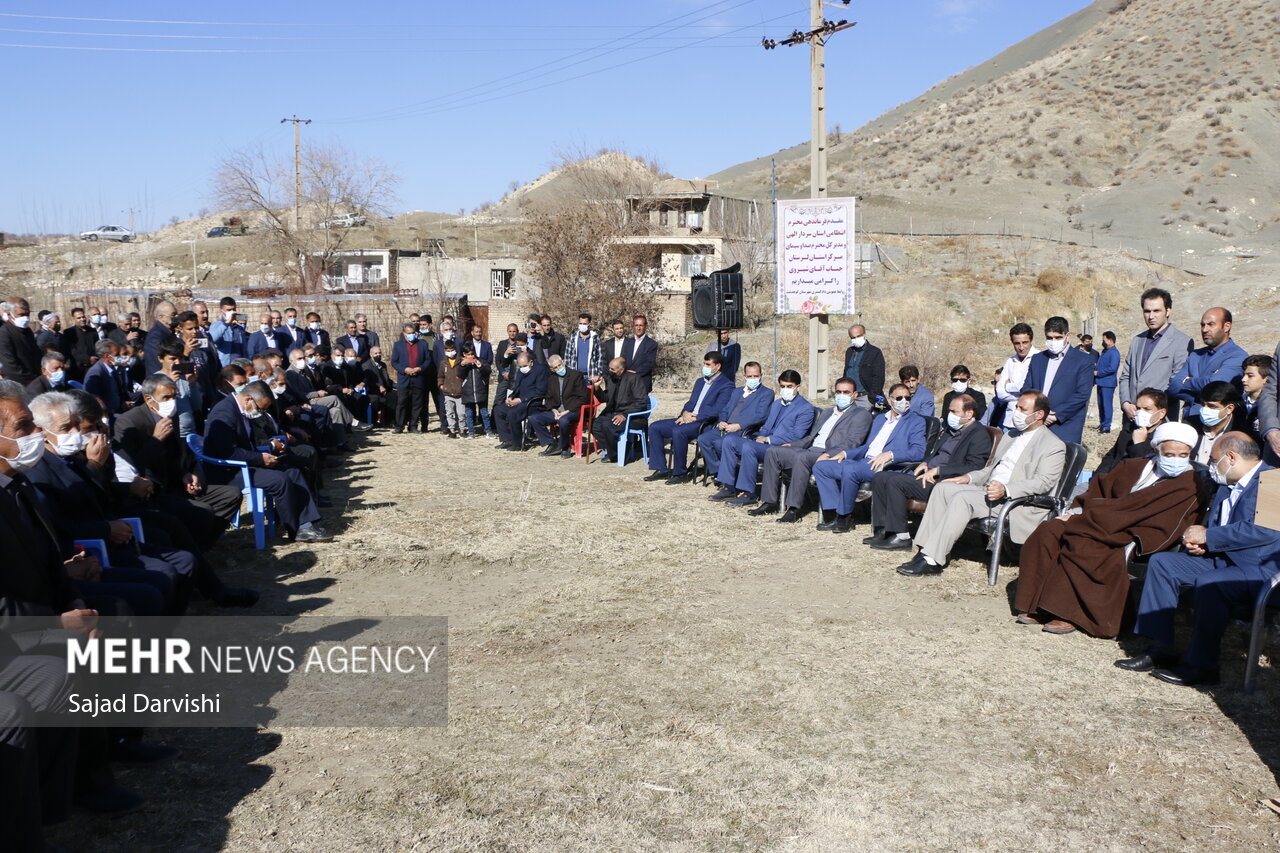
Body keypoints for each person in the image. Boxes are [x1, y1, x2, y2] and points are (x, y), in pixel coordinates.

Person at [1117, 433, 1280, 686]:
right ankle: (1161, 647)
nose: (1211, 465)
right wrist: (1204, 545)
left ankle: (1203, 665)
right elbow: (1219, 526)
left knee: (1211, 583)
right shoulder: (1227, 483)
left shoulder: (1274, 480)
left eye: (1214, 460)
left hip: (1259, 569)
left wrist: (1209, 537)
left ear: (1231, 457)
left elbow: (1266, 530)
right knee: (1164, 564)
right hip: (1222, 560)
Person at [1013, 422, 1203, 636]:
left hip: (1134, 531)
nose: (1176, 460)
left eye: (1183, 454)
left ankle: (1067, 611)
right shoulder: (1133, 466)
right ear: (1156, 450)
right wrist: (1078, 513)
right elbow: (1099, 490)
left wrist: (1097, 516)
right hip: (1101, 519)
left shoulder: (1190, 483)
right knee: (1050, 530)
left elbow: (1165, 519)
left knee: (1083, 541)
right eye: (1169, 454)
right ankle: (1036, 603)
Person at [897, 391, 1066, 576]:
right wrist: (968, 478)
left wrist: (1006, 489)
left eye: (1022, 409)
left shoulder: (1053, 445)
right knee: (943, 488)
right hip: (989, 490)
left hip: (1017, 502)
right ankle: (926, 549)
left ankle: (933, 560)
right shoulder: (1011, 435)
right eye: (1016, 407)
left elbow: (1044, 482)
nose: (1016, 412)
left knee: (963, 498)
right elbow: (990, 469)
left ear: (1039, 414)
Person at [203, 381, 334, 542]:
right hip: (228, 471)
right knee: (280, 480)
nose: (261, 413)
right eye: (261, 408)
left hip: (244, 462)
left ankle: (305, 525)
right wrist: (260, 458)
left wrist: (267, 451)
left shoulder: (240, 408)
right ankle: (293, 528)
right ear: (248, 399)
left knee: (293, 471)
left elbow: (245, 446)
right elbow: (226, 452)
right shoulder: (224, 412)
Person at [864, 393, 994, 550]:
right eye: (949, 411)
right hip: (928, 475)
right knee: (881, 477)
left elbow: (974, 467)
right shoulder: (950, 430)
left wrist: (939, 470)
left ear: (969, 413)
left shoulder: (978, 435)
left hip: (944, 482)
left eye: (954, 412)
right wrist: (925, 463)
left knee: (895, 482)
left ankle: (900, 536)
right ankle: (882, 530)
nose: (949, 415)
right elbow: (935, 453)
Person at [751, 378, 873, 522]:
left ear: (855, 395)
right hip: (809, 449)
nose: (841, 395)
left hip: (827, 454)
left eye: (846, 392)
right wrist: (793, 445)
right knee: (773, 452)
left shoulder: (860, 414)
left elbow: (853, 442)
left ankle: (794, 508)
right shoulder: (827, 413)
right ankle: (770, 502)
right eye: (838, 391)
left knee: (801, 458)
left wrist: (829, 454)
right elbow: (811, 437)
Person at [811, 382, 927, 533]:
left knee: (851, 469)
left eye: (907, 398)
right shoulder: (879, 419)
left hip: (887, 465)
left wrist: (892, 454)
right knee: (821, 466)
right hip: (864, 461)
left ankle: (845, 517)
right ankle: (833, 513)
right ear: (890, 400)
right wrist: (845, 453)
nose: (904, 401)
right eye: (899, 398)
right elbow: (867, 447)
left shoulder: (916, 421)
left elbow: (918, 451)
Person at [710, 370, 815, 508]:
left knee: (748, 447)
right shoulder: (777, 404)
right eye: (782, 386)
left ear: (798, 387)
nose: (785, 389)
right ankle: (728, 486)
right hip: (763, 442)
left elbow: (796, 435)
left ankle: (748, 493)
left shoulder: (805, 408)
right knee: (729, 441)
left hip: (780, 447)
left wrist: (768, 439)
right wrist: (760, 436)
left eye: (789, 386)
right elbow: (766, 426)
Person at [644, 352, 733, 483]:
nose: (705, 367)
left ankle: (680, 473)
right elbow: (691, 402)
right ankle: (661, 468)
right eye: (704, 363)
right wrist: (684, 414)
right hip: (688, 418)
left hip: (705, 423)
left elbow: (718, 409)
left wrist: (696, 418)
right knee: (655, 427)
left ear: (718, 366)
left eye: (708, 364)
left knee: (679, 432)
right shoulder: (699, 382)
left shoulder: (726, 385)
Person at [1118, 287, 1193, 426]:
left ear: (1168, 310)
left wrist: (1151, 408)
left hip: (1160, 418)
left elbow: (1176, 381)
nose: (1151, 316)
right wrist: (1126, 403)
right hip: (1131, 416)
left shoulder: (1181, 341)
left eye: (1156, 311)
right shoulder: (1137, 340)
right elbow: (1126, 376)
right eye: (1147, 311)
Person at [1020, 316, 1094, 443]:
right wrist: (1038, 413)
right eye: (1049, 337)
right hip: (1035, 423)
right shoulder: (1038, 359)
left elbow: (1082, 394)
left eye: (1058, 337)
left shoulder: (1083, 360)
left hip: (1064, 427)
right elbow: (1027, 389)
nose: (1053, 341)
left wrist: (1055, 415)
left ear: (1067, 336)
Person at [697, 361, 774, 478]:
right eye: (749, 376)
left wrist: (740, 425)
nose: (752, 379)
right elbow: (726, 409)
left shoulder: (766, 393)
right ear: (744, 376)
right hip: (726, 427)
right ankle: (718, 470)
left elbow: (761, 415)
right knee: (703, 439)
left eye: (756, 376)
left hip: (743, 430)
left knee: (719, 444)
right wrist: (721, 421)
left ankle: (727, 475)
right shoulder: (737, 391)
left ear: (761, 375)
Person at [1169, 307, 1246, 422]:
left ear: (1226, 326)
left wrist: (1187, 381)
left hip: (1219, 423)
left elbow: (1215, 386)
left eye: (1211, 324)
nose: (1205, 329)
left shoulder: (1237, 356)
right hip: (1190, 420)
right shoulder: (1195, 355)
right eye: (1202, 325)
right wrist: (1198, 398)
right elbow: (1174, 387)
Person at [1095, 387, 1169, 476]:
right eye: (1138, 408)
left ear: (1161, 413)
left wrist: (1139, 444)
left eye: (1147, 409)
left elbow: (1146, 469)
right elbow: (1112, 457)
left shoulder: (1166, 438)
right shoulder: (1129, 428)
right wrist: (1098, 479)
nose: (1141, 413)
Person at [591, 357, 649, 463]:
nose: (609, 371)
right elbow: (605, 398)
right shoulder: (612, 380)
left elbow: (641, 402)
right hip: (614, 413)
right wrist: (597, 388)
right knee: (595, 425)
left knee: (607, 425)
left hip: (633, 416)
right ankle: (616, 451)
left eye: (612, 369)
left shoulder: (634, 378)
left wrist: (625, 415)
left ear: (621, 370)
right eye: (609, 368)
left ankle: (617, 455)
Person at [530, 354, 589, 457]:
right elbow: (548, 398)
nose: (558, 368)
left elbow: (582, 398)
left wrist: (566, 412)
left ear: (563, 362)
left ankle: (565, 447)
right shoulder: (552, 379)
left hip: (573, 410)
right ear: (552, 369)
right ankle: (552, 444)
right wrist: (554, 410)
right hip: (557, 410)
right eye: (555, 367)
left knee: (563, 420)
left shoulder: (576, 375)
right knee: (534, 418)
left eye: (559, 365)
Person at [494, 350, 548, 450]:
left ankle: (517, 443)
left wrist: (520, 400)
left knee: (512, 413)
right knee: (498, 410)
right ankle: (507, 439)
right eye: (520, 366)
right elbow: (517, 387)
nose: (522, 368)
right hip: (519, 400)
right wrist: (511, 397)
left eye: (524, 365)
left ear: (531, 362)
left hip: (533, 402)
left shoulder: (541, 370)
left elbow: (540, 391)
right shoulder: (521, 370)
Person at [991, 323, 1038, 429]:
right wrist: (1021, 396)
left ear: (1031, 341)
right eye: (1017, 343)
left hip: (1030, 420)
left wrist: (1009, 387)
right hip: (1010, 421)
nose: (1021, 347)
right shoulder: (1010, 361)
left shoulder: (1039, 359)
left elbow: (1031, 387)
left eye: (1025, 342)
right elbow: (1000, 393)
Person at [1191, 380, 1244, 466]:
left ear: (1229, 408)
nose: (1205, 410)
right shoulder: (1190, 426)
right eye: (1203, 405)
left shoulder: (1240, 435)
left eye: (1211, 406)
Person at [391, 324, 431, 434]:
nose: (411, 335)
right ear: (404, 334)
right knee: (401, 403)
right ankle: (399, 426)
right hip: (404, 378)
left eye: (413, 333)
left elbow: (428, 360)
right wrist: (404, 369)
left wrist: (420, 368)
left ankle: (413, 426)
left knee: (417, 404)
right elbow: (394, 362)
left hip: (418, 378)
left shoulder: (422, 344)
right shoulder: (398, 345)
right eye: (409, 333)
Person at [842, 324, 885, 410]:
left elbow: (878, 377)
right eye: (853, 337)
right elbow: (847, 371)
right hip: (849, 397)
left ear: (864, 334)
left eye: (858, 336)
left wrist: (872, 398)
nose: (856, 339)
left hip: (865, 397)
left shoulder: (874, 352)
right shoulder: (850, 351)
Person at [0, 298, 41, 386]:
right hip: (19, 384)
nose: (25, 318)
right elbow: (10, 366)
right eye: (21, 315)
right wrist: (31, 381)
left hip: (35, 379)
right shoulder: (4, 334)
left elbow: (35, 354)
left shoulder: (27, 330)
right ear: (9, 314)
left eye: (27, 314)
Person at [82, 340, 126, 416]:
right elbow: (92, 396)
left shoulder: (112, 369)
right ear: (106, 356)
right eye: (116, 354)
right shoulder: (96, 372)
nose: (120, 357)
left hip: (118, 410)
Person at [459, 340, 491, 437]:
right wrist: (463, 365)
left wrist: (481, 367)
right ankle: (471, 431)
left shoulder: (481, 361)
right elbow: (459, 374)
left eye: (472, 354)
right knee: (469, 414)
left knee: (484, 413)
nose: (471, 357)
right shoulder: (462, 363)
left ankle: (488, 430)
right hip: (468, 392)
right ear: (464, 354)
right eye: (468, 354)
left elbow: (488, 371)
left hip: (480, 391)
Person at [59, 306, 99, 381]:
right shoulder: (69, 333)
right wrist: (87, 360)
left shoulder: (93, 331)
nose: (82, 319)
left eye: (83, 317)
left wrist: (95, 358)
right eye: (79, 318)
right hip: (78, 369)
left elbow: (97, 346)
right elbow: (72, 351)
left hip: (93, 365)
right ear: (73, 319)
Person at [621, 315, 659, 393]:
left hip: (642, 383)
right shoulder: (627, 342)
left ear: (645, 326)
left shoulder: (651, 344)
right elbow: (623, 359)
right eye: (636, 325)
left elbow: (650, 363)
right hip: (627, 383)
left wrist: (635, 373)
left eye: (641, 325)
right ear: (633, 326)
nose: (638, 328)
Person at [437, 337, 465, 438]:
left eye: (452, 350)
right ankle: (452, 430)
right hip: (448, 392)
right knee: (450, 413)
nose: (450, 352)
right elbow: (440, 376)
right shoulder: (443, 363)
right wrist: (441, 386)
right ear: (445, 351)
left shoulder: (461, 361)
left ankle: (462, 429)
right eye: (448, 351)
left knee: (461, 413)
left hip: (459, 392)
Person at [564, 313, 604, 383]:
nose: (582, 325)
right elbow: (567, 357)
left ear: (589, 324)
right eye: (580, 323)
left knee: (590, 394)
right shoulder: (573, 337)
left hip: (591, 376)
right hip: (575, 376)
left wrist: (598, 373)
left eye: (585, 324)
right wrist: (569, 374)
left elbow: (600, 357)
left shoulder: (595, 338)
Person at [208, 297, 247, 366]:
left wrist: (243, 322)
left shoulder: (237, 326)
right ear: (222, 311)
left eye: (233, 309)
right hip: (225, 365)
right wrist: (226, 324)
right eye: (228, 310)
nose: (232, 312)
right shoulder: (216, 325)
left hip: (240, 365)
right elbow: (212, 338)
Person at [1094, 330, 1120, 433]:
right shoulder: (1105, 351)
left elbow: (1112, 368)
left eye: (1104, 339)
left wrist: (1098, 373)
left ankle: (1107, 426)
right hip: (1101, 382)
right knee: (1101, 404)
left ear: (1110, 340)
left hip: (1108, 383)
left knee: (1107, 404)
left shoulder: (1114, 353)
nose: (1103, 341)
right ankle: (1102, 424)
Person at [1241, 353, 1269, 440]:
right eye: (1244, 375)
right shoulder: (1238, 402)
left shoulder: (1274, 405)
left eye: (1250, 376)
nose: (1243, 379)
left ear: (1266, 379)